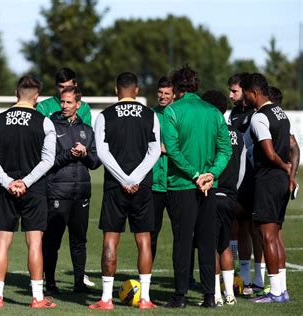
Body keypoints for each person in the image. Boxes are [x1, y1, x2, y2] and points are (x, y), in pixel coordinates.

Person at [89, 72, 161, 311]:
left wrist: (123, 179)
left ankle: (106, 300)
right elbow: (155, 151)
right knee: (144, 241)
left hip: (115, 187)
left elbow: (102, 152)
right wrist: (136, 178)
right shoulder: (150, 115)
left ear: (115, 89)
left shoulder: (104, 116)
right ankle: (145, 299)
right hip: (142, 186)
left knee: (110, 241)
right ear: (137, 90)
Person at [0, 75, 57, 309]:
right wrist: (25, 182)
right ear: (36, 97)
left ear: (17, 94)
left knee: (2, 242)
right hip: (33, 190)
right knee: (35, 243)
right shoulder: (44, 122)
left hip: (6, 191)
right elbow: (48, 161)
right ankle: (37, 298)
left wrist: (8, 182)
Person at [162, 66, 231, 309]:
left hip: (182, 185)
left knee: (182, 241)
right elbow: (226, 149)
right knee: (207, 241)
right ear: (196, 85)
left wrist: (195, 175)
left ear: (177, 88)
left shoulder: (172, 111)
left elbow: (172, 149)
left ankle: (180, 296)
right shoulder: (213, 113)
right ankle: (210, 297)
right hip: (209, 187)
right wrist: (211, 174)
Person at [42, 86, 101, 295]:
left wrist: (84, 154)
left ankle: (78, 283)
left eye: (68, 102)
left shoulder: (87, 129)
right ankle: (49, 284)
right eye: (62, 101)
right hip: (57, 192)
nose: (64, 106)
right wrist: (70, 154)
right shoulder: (50, 126)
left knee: (79, 240)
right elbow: (47, 162)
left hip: (81, 193)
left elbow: (95, 162)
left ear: (78, 104)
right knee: (52, 241)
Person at [241, 73, 293, 303]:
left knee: (267, 237)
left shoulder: (258, 117)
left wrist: (284, 167)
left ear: (254, 93)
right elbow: (292, 146)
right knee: (276, 236)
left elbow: (270, 153)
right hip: (280, 181)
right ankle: (282, 289)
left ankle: (274, 292)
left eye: (245, 93)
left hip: (269, 179)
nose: (244, 98)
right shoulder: (281, 113)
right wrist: (289, 173)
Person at [202, 90, 246, 306]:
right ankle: (229, 294)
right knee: (224, 244)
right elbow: (242, 169)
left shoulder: (209, 132)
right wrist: (233, 191)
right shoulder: (237, 134)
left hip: (211, 192)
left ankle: (216, 295)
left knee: (209, 246)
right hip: (230, 195)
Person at [228, 73, 265, 296]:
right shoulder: (233, 113)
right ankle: (243, 276)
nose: (231, 95)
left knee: (254, 228)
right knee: (238, 227)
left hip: (254, 178)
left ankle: (259, 278)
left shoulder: (256, 113)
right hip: (236, 179)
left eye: (235, 91)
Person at [150, 76, 174, 261]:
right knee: (151, 232)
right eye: (160, 92)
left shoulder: (179, 114)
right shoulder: (150, 115)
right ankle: (146, 273)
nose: (162, 96)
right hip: (155, 183)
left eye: (167, 93)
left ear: (174, 95)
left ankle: (186, 276)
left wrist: (168, 149)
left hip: (176, 183)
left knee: (183, 233)